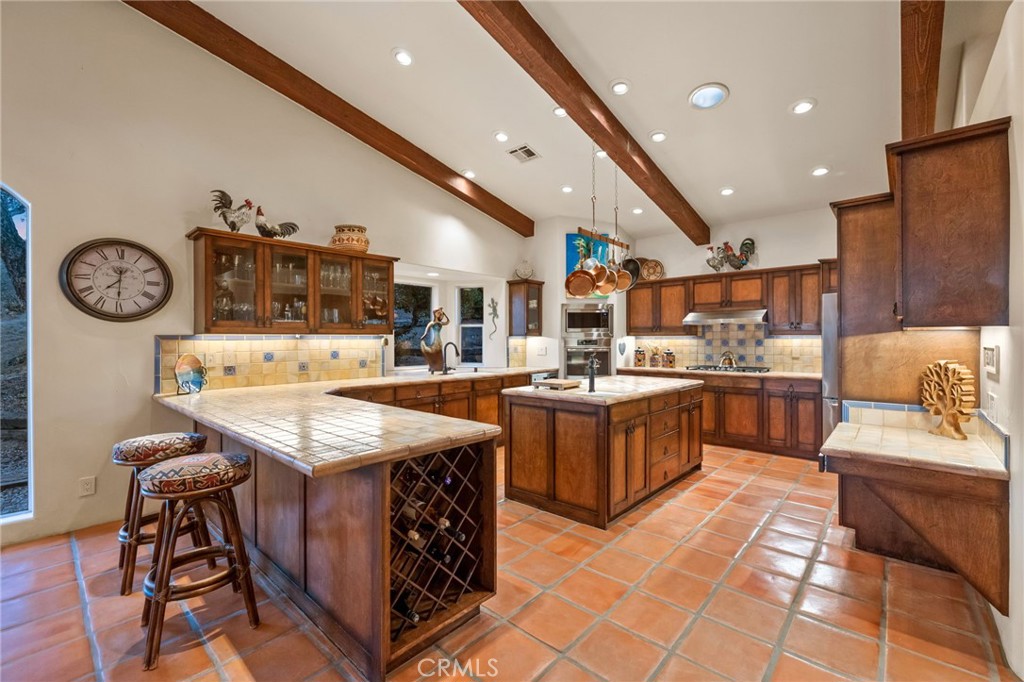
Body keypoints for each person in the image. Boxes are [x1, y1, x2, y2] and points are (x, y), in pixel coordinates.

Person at [419, 307, 450, 373]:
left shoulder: (440, 323)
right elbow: (426, 330)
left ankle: (440, 366)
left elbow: (448, 322)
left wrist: (444, 314)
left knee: (439, 351)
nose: (439, 314)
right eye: (438, 313)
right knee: (434, 351)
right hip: (436, 339)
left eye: (440, 313)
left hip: (439, 340)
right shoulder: (432, 323)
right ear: (435, 314)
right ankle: (434, 366)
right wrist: (424, 335)